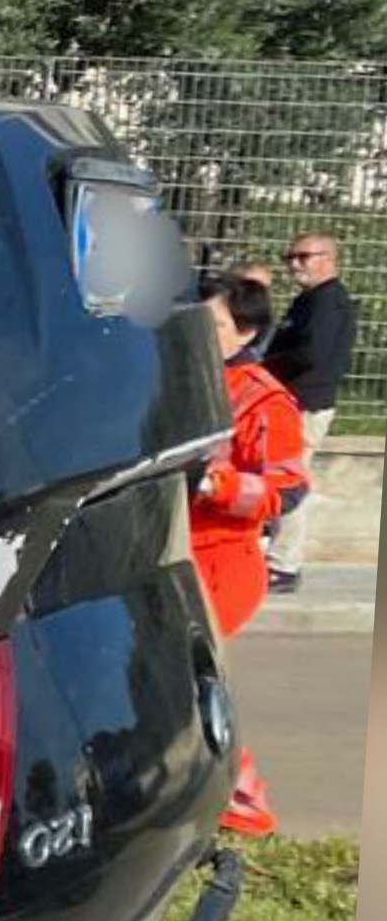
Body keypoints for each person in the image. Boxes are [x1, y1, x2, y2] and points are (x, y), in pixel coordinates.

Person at [194, 273, 311, 639]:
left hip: (217, 569)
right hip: (163, 557)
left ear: (246, 332)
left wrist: (214, 485)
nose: (197, 334)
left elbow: (287, 489)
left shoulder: (263, 400)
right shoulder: (180, 381)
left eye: (212, 324)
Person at [265, 234, 352, 593]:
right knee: (278, 477)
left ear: (329, 259)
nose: (294, 264)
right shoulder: (312, 300)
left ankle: (284, 564)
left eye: (303, 256)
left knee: (289, 482)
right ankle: (275, 556)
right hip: (293, 403)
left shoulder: (328, 303)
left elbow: (311, 355)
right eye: (290, 256)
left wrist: (266, 367)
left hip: (304, 405)